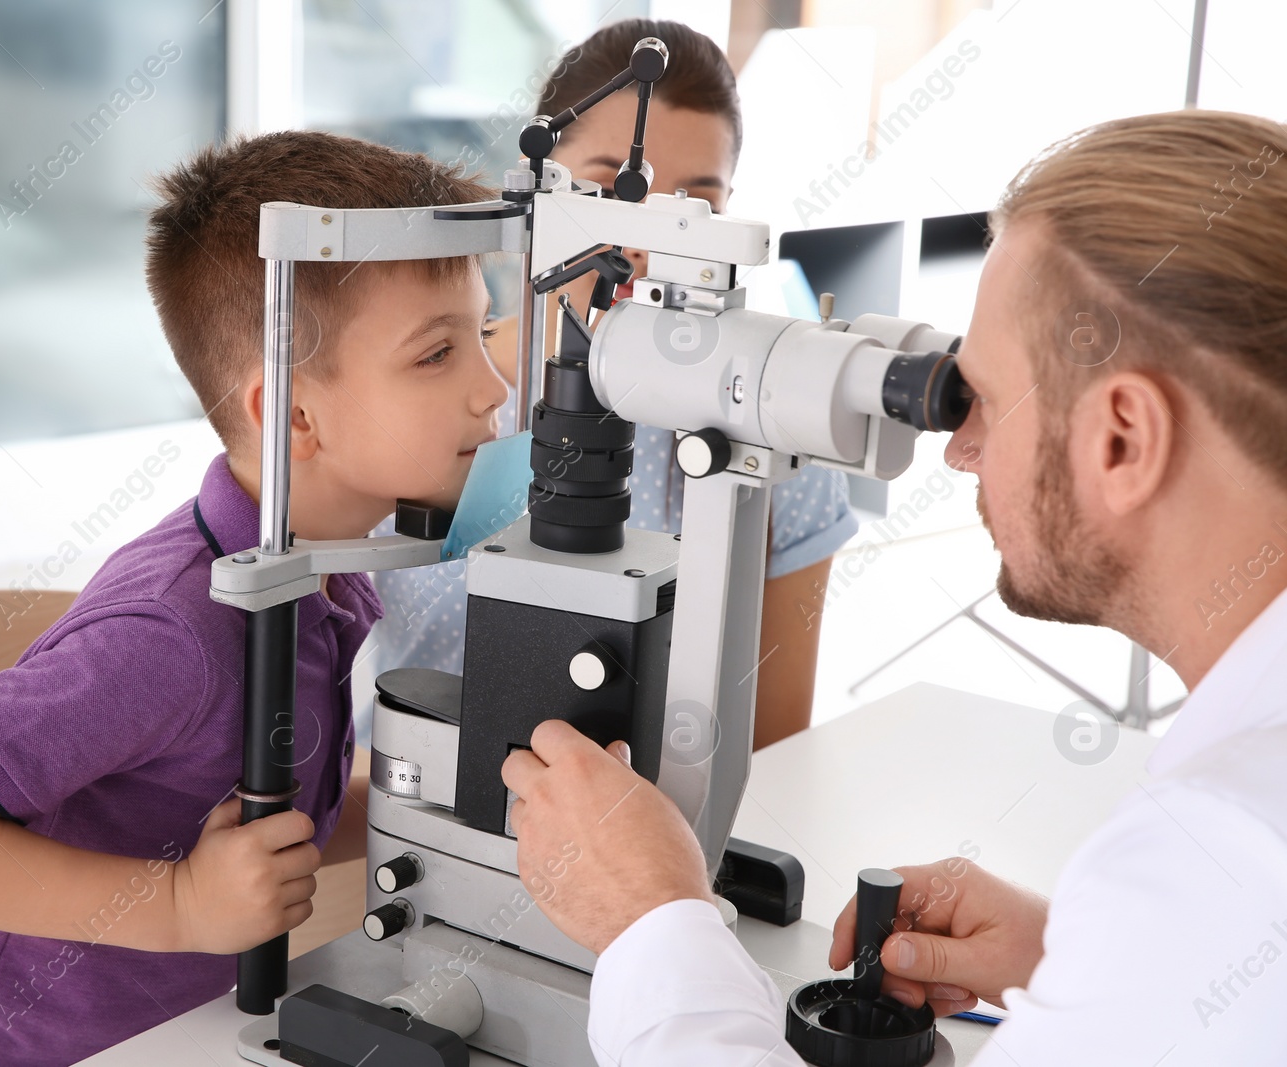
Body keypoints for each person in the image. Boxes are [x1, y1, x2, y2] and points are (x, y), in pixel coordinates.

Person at [502, 108, 1287, 1065]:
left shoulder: (1221, 863)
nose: (959, 451)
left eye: (985, 400)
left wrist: (651, 921)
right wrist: (1077, 965)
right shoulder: (1214, 876)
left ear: (1122, 438)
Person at [0, 131, 507, 1065]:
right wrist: (181, 907)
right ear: (294, 416)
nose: (494, 387)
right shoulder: (171, 636)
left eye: (482, 331)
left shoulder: (321, 569)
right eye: (436, 354)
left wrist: (465, 803)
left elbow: (272, 823)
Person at [366, 18, 856, 752]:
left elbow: (774, 738)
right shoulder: (408, 405)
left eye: (695, 205)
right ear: (537, 187)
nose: (643, 243)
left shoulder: (775, 426)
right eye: (607, 190)